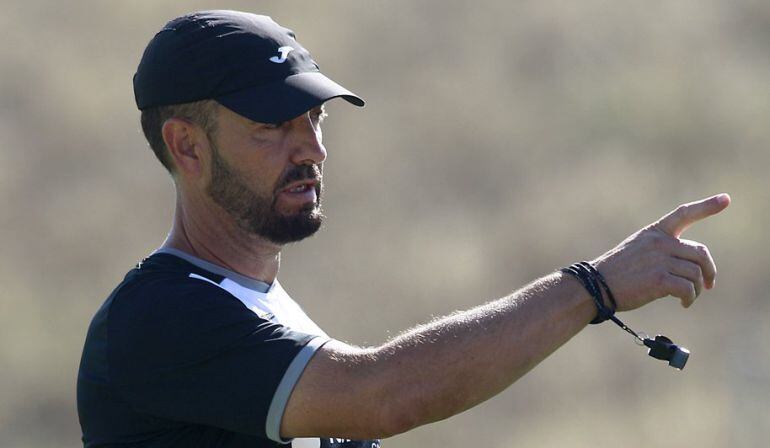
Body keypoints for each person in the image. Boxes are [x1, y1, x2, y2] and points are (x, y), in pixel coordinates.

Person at [76, 9, 730, 448]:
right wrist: (593, 286)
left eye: (315, 118)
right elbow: (386, 394)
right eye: (273, 125)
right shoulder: (159, 318)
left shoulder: (257, 306)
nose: (312, 149)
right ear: (187, 147)